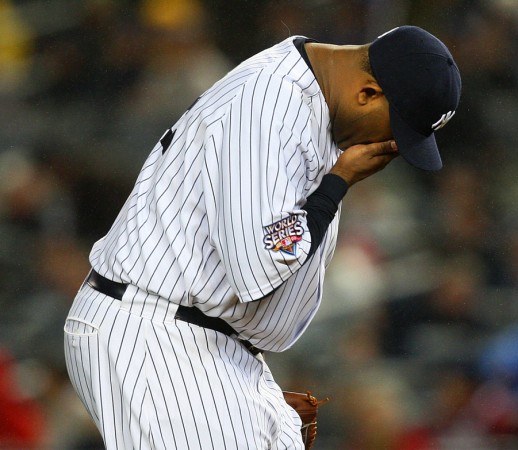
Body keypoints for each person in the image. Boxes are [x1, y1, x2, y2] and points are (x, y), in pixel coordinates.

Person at [64, 25, 461, 449]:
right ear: (367, 93)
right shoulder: (273, 101)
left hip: (214, 348)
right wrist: (338, 181)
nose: (389, 144)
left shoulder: (316, 101)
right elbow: (265, 257)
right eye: (394, 129)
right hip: (157, 335)